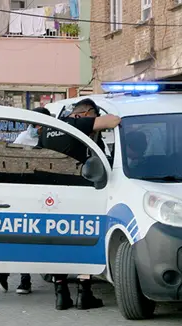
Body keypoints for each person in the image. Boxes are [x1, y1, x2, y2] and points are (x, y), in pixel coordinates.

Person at [38, 98, 121, 311]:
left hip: (52, 197)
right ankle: (84, 294)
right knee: (83, 242)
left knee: (58, 245)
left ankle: (61, 294)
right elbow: (113, 121)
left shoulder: (49, 130)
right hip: (79, 193)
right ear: (84, 113)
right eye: (93, 116)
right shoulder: (77, 123)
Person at [0, 107, 52, 295]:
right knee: (23, 237)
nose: (38, 128)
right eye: (35, 125)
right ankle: (21, 278)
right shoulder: (22, 139)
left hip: (42, 194)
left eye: (40, 125)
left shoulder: (50, 140)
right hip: (23, 192)